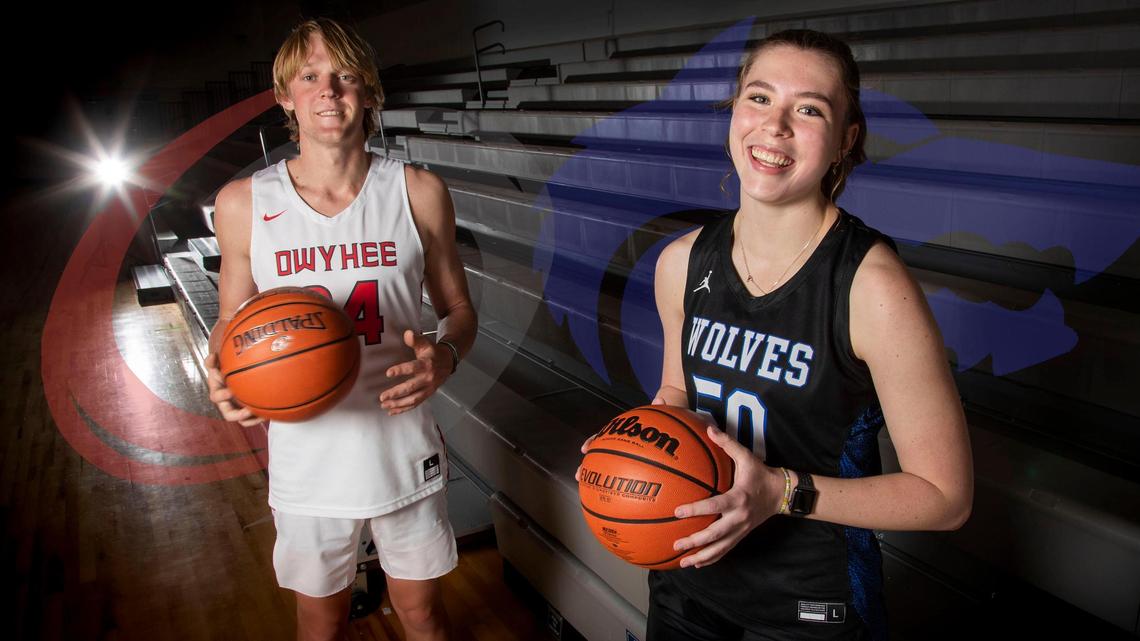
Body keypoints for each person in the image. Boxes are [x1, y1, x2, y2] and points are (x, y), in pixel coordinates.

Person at [584, 29, 972, 640]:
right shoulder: (681, 263)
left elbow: (945, 497)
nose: (776, 126)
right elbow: (677, 395)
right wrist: (633, 446)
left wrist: (781, 493)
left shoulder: (872, 287)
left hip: (809, 605)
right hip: (686, 574)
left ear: (846, 140)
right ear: (733, 111)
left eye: (809, 108)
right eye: (759, 98)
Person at [204, 18, 475, 641]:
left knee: (423, 614)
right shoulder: (243, 203)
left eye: (345, 76)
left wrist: (447, 356)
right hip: (307, 456)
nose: (329, 90)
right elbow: (228, 321)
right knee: (318, 622)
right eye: (310, 77)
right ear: (285, 96)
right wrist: (216, 371)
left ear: (370, 92)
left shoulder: (418, 191)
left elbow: (459, 312)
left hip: (402, 447)